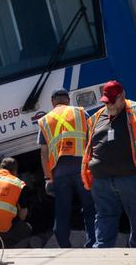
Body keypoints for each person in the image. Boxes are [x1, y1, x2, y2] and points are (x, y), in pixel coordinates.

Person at [81, 80, 136, 248]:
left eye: (113, 101)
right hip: (102, 180)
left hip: (133, 177)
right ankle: (103, 250)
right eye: (106, 101)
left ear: (122, 97)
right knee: (104, 215)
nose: (109, 105)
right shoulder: (95, 118)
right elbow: (88, 148)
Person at [37, 88, 95, 248]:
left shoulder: (45, 120)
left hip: (60, 174)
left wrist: (48, 177)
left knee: (62, 212)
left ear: (52, 102)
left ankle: (64, 245)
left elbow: (44, 152)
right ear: (68, 100)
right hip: (82, 170)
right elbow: (93, 139)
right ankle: (93, 243)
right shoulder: (81, 113)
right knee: (90, 208)